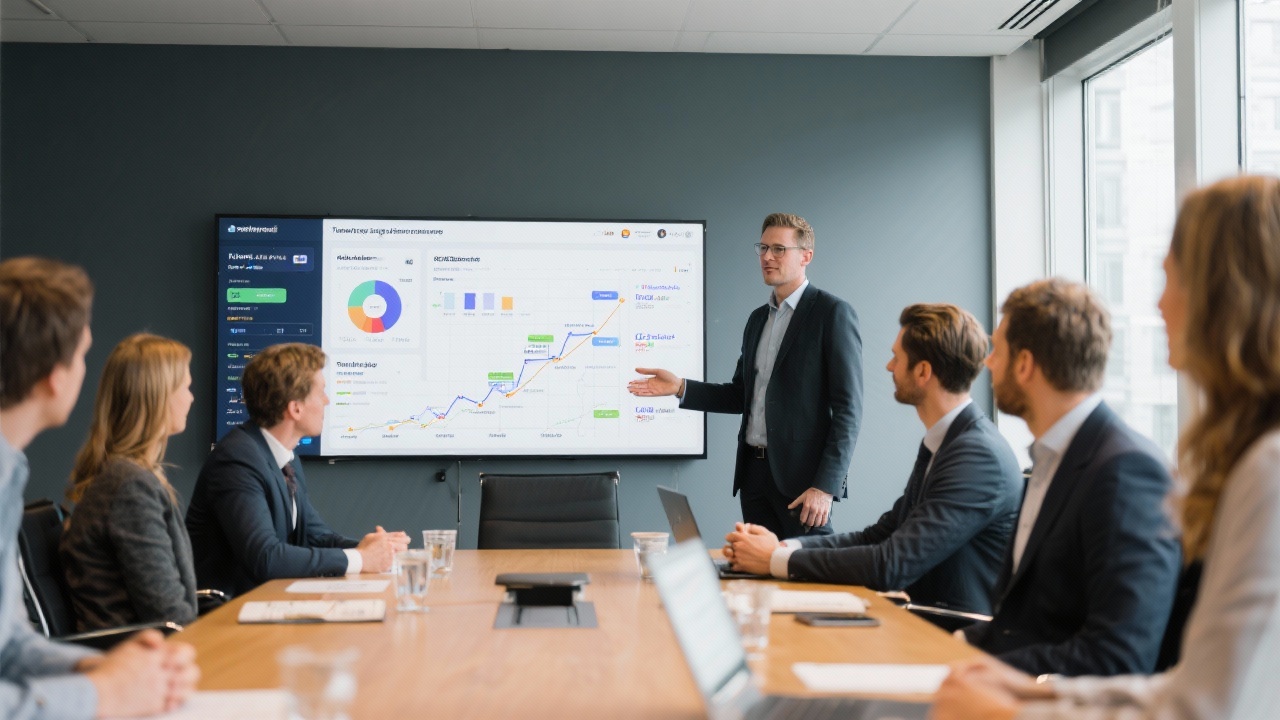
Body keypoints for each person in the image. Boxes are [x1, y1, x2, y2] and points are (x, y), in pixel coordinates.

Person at [936, 175, 1280, 718]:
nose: (1160, 303)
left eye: (1173, 279)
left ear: (1224, 295)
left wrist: (1015, 709)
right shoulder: (1250, 458)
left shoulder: (1267, 468)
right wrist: (1030, 693)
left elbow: (1206, 704)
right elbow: (1188, 686)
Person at [722, 303, 1021, 614]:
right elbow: (878, 536)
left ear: (922, 372)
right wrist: (785, 547)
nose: (889, 367)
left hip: (952, 633)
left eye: (897, 357)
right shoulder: (947, 442)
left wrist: (775, 559)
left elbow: (891, 564)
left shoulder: (976, 455)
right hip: (921, 620)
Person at [1, 257, 199, 719]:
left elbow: (9, 648)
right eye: (83, 354)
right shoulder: (126, 483)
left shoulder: (10, 475)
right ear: (55, 376)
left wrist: (108, 668)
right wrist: (104, 693)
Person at [958, 278, 1180, 677]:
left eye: (998, 351)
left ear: (1024, 365)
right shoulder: (1052, 459)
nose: (988, 362)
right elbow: (1025, 624)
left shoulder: (1126, 471)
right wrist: (953, 650)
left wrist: (979, 670)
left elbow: (1117, 656)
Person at [628, 212, 863, 538]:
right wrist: (680, 387)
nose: (767, 257)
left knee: (807, 577)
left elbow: (849, 410)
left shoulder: (831, 314)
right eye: (763, 248)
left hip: (803, 483)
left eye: (779, 249)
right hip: (754, 476)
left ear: (806, 256)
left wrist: (826, 486)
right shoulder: (757, 320)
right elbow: (741, 395)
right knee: (759, 574)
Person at [186, 342, 410, 596]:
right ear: (295, 408)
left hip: (265, 605)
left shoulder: (285, 458)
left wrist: (374, 548)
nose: (328, 401)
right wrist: (360, 558)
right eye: (321, 392)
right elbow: (266, 557)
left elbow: (315, 536)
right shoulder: (237, 460)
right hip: (223, 618)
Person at [60, 334, 199, 631]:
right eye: (186, 387)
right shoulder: (130, 487)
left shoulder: (125, 477)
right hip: (140, 662)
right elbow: (168, 613)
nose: (191, 397)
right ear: (159, 396)